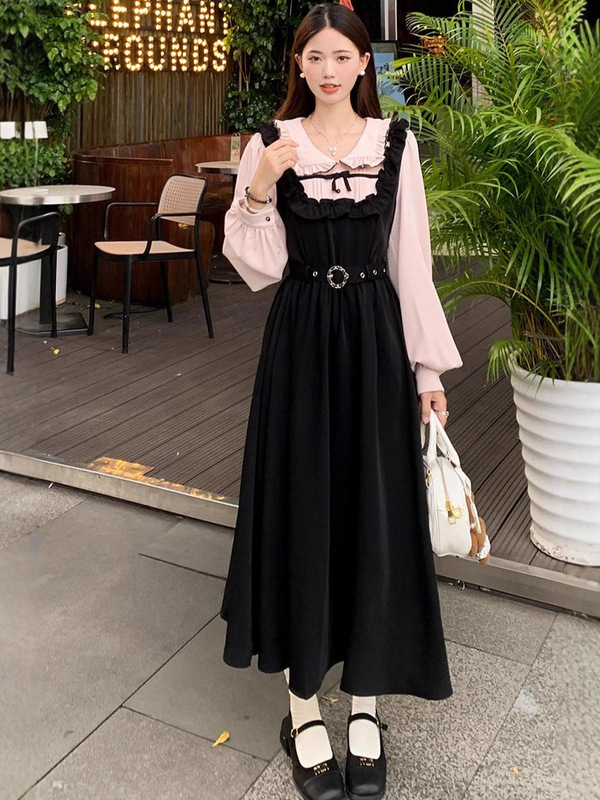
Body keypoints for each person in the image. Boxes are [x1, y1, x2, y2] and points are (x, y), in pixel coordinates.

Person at [219, 4, 463, 799]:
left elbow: (412, 261)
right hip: (299, 342)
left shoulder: (396, 143)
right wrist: (258, 189)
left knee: (373, 513)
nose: (327, 69)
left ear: (364, 64)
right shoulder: (269, 143)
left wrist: (427, 373)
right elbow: (256, 265)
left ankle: (363, 704)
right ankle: (301, 708)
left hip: (376, 343)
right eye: (314, 56)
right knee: (302, 507)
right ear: (298, 63)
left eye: (341, 56)